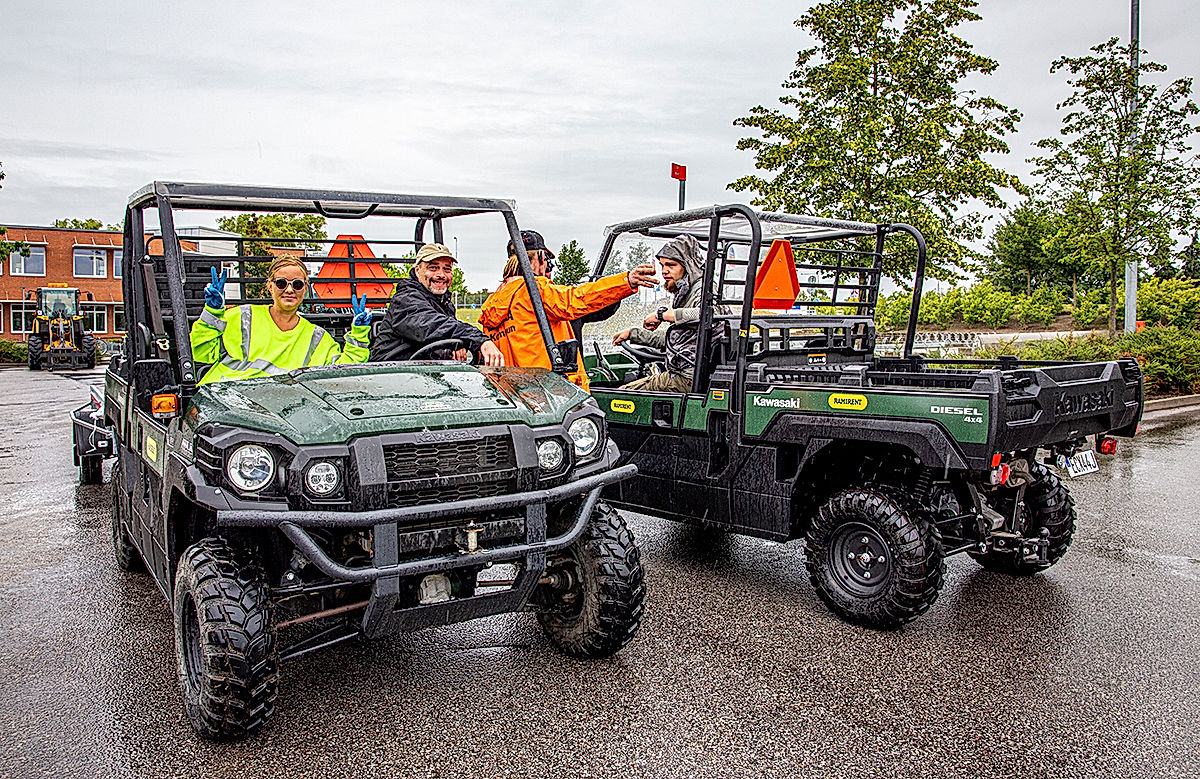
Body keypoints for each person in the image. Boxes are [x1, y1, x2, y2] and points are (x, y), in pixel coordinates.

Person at [480, 230, 657, 391]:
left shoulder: (493, 302)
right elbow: (577, 299)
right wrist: (626, 281)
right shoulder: (536, 291)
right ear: (541, 258)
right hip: (549, 392)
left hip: (512, 392)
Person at [190, 255, 371, 385]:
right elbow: (201, 353)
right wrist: (212, 312)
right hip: (226, 398)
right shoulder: (241, 317)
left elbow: (343, 372)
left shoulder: (317, 338)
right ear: (270, 285)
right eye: (282, 283)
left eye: (297, 284)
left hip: (278, 411)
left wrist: (359, 333)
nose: (290, 290)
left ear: (305, 288)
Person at [612, 235, 717, 393]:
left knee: (621, 395)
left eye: (671, 265)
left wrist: (662, 315)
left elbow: (707, 315)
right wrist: (632, 334)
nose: (664, 271)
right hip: (688, 374)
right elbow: (673, 338)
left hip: (686, 377)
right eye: (662, 265)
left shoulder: (704, 290)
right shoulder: (686, 292)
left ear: (687, 265)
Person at [370, 243, 505, 365]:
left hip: (422, 376)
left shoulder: (443, 302)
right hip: (389, 378)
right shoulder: (406, 300)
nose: (441, 275)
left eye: (447, 269)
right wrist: (479, 340)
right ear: (418, 270)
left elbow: (430, 343)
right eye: (433, 268)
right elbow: (432, 326)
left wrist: (452, 350)